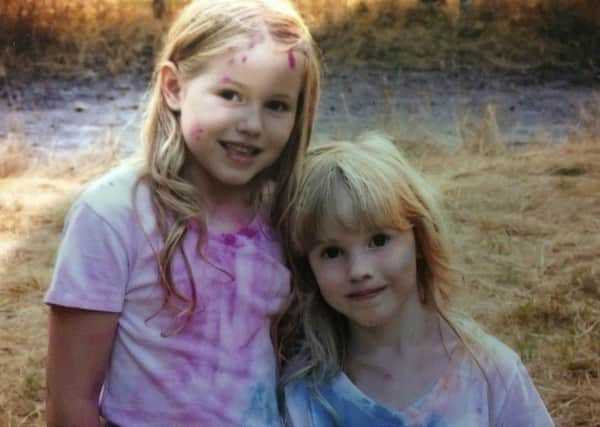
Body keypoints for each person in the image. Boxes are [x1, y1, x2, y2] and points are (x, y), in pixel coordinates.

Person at [44, 0, 321, 425]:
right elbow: (70, 402)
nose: (252, 124)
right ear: (174, 88)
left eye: (277, 105)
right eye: (230, 95)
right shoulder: (112, 216)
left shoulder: (288, 214)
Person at [277, 133, 554, 426]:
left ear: (420, 239)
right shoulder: (303, 390)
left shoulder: (490, 373)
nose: (359, 270)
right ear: (307, 266)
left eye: (379, 240)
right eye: (332, 252)